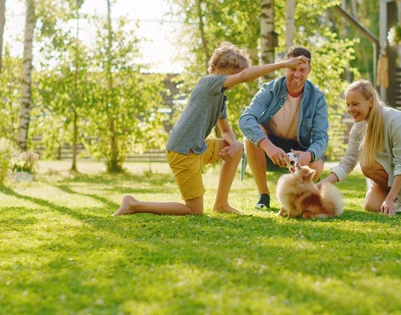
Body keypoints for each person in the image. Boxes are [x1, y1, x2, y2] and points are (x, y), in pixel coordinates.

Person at [113, 42, 310, 216]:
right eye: (233, 75)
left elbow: (225, 131)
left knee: (238, 146)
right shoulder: (208, 83)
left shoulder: (220, 97)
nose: (234, 80)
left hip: (197, 147)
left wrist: (232, 146)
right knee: (194, 210)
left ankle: (221, 204)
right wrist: (283, 65)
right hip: (182, 151)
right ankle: (134, 204)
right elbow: (245, 77)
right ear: (217, 68)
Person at [317, 79, 401, 216]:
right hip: (393, 169)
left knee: (367, 164)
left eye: (355, 104)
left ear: (371, 101)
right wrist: (319, 187)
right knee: (371, 205)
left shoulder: (396, 120)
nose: (350, 109)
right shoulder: (359, 125)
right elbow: (348, 161)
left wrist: (389, 200)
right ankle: (397, 197)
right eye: (348, 105)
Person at [239, 45, 329, 209]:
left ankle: (295, 199)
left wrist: (308, 155)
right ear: (285, 68)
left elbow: (321, 138)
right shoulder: (270, 89)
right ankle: (263, 196)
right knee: (251, 135)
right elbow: (246, 119)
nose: (296, 74)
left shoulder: (318, 98)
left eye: (302, 69)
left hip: (298, 150)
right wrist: (268, 146)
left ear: (309, 70)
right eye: (292, 68)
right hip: (270, 147)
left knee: (317, 165)